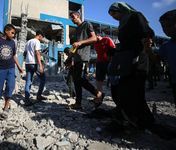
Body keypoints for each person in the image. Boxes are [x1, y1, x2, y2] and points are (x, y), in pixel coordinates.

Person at [107, 2, 156, 134]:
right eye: (111, 15)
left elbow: (146, 31)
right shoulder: (122, 25)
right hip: (127, 61)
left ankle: (136, 122)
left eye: (114, 13)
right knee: (123, 89)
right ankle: (131, 121)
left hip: (139, 59)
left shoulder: (135, 16)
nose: (113, 17)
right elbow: (124, 44)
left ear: (121, 10)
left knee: (135, 91)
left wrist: (147, 38)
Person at [68, 11, 104, 109]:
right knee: (76, 81)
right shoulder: (76, 30)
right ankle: (78, 103)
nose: (72, 19)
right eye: (70, 17)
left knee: (81, 79)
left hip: (83, 57)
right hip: (76, 58)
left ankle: (98, 93)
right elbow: (75, 46)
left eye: (73, 17)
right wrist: (69, 57)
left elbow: (93, 38)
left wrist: (80, 43)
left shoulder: (86, 25)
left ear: (78, 16)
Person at [145, 9, 176, 107]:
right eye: (163, 27)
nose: (166, 29)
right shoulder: (165, 46)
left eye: (169, 26)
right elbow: (157, 60)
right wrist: (148, 50)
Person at [24, 30, 47, 106]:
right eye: (41, 37)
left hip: (27, 63)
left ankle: (27, 100)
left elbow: (25, 53)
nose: (41, 39)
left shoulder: (28, 42)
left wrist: (27, 59)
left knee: (28, 82)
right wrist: (40, 65)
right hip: (34, 63)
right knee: (43, 78)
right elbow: (37, 53)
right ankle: (39, 95)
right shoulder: (37, 41)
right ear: (40, 35)